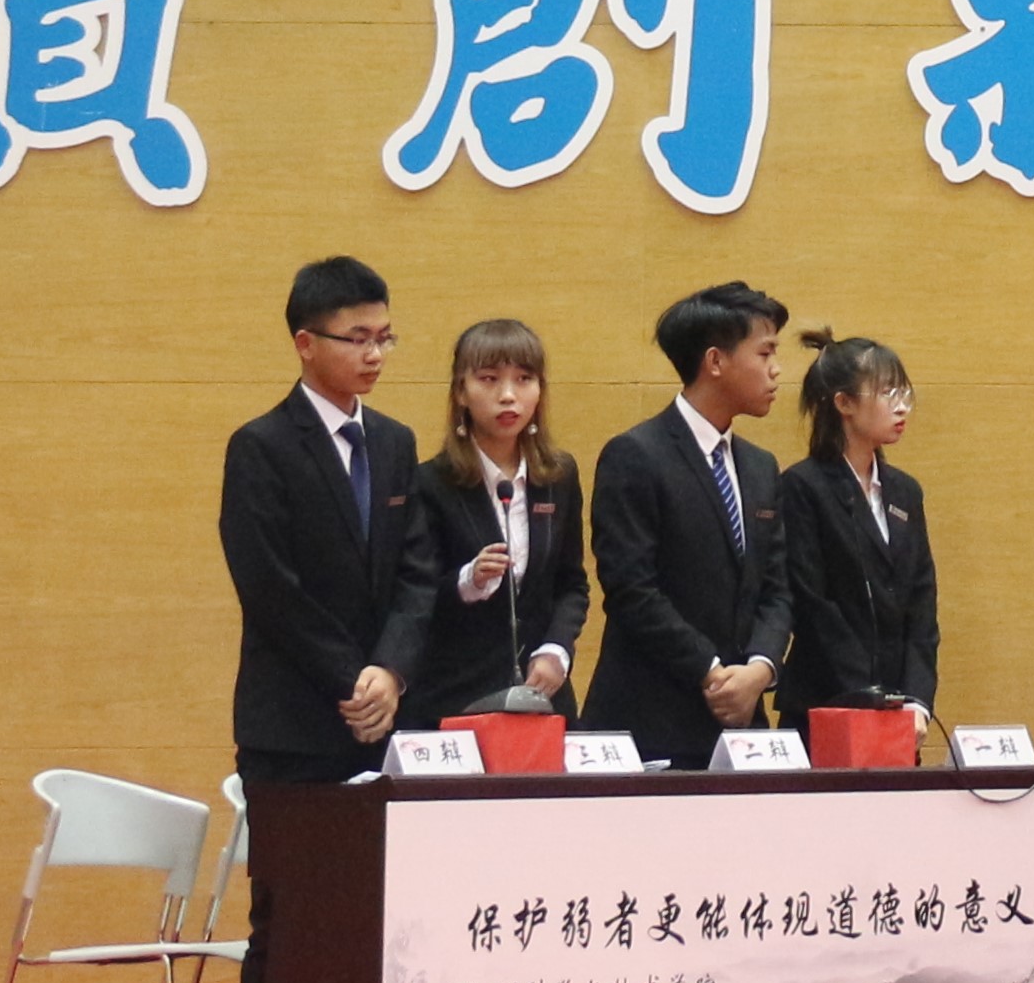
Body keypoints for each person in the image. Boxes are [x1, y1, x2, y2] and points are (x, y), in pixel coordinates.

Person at [219, 256, 432, 790]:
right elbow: (271, 589)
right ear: (305, 343)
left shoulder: (395, 442)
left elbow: (418, 570)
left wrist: (390, 671)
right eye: (357, 339)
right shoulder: (261, 446)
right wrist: (353, 683)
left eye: (384, 338)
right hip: (295, 726)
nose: (375, 355)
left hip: (386, 719)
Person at [585, 280, 795, 766]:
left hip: (743, 728)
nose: (776, 369)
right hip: (651, 723)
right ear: (715, 361)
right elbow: (632, 589)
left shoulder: (761, 467)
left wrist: (760, 670)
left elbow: (778, 588)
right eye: (765, 353)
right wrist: (712, 671)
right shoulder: (635, 455)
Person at [400, 318, 585, 733]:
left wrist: (556, 650)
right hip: (455, 695)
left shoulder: (558, 476)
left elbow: (571, 583)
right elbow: (413, 596)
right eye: (489, 379)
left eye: (524, 379)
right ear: (461, 391)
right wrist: (469, 580)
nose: (508, 396)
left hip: (542, 699)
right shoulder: (430, 482)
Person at [784, 332, 938, 748]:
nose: (902, 406)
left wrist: (917, 700)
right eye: (887, 392)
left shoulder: (905, 491)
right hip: (826, 703)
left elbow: (921, 603)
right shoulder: (803, 486)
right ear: (844, 403)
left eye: (903, 393)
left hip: (899, 710)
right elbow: (813, 604)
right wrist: (873, 697)